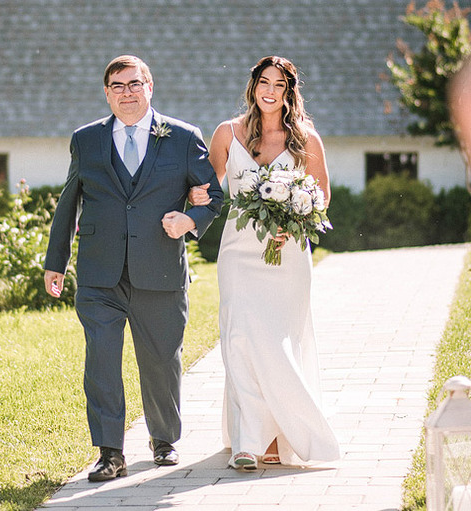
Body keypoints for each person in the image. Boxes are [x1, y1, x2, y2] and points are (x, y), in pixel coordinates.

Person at [44, 55, 224, 482]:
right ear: (107, 93)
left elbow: (214, 196)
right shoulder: (85, 140)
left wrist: (190, 221)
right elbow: (69, 201)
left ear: (150, 87)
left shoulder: (182, 137)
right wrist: (56, 261)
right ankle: (110, 453)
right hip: (99, 274)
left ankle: (164, 440)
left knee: (161, 361)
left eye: (134, 84)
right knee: (101, 362)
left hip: (159, 271)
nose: (127, 93)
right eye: (117, 86)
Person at [190, 55, 340, 469]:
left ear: (290, 92)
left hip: (287, 257)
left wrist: (295, 223)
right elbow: (208, 190)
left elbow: (322, 194)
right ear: (253, 86)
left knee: (276, 344)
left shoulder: (305, 139)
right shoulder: (228, 133)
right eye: (264, 82)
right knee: (239, 336)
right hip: (238, 253)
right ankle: (247, 442)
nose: (270, 91)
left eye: (279, 84)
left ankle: (276, 436)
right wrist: (195, 199)